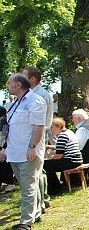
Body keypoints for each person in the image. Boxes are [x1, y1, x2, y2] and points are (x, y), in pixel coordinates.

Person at [0, 73, 46, 230]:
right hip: (14, 152)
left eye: (9, 83)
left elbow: (38, 126)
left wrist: (32, 147)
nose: (7, 85)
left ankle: (26, 222)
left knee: (28, 188)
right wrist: (4, 149)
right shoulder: (16, 103)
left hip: (27, 152)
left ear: (18, 85)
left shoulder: (34, 101)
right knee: (28, 185)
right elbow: (10, 128)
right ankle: (37, 212)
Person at [22, 66, 54, 209]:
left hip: (37, 136)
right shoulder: (34, 93)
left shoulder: (39, 95)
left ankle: (40, 202)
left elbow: (40, 121)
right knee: (39, 170)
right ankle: (42, 200)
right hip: (36, 135)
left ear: (32, 79)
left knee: (36, 171)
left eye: (24, 77)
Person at [43, 118, 83, 194]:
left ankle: (55, 188)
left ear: (58, 127)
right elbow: (62, 147)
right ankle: (56, 187)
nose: (51, 130)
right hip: (76, 160)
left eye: (52, 127)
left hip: (70, 161)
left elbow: (59, 155)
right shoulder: (69, 132)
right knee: (48, 163)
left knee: (45, 165)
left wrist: (48, 159)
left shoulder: (62, 136)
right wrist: (50, 147)